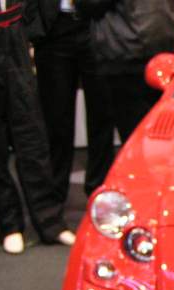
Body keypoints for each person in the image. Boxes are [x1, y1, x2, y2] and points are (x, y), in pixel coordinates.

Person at [0, 1, 75, 254]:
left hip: (14, 33)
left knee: (32, 132)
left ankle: (50, 220)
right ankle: (8, 223)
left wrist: (32, 30)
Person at [27, 0, 116, 199]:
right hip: (53, 28)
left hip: (97, 22)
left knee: (102, 114)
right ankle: (55, 193)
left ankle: (99, 188)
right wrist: (33, 23)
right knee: (55, 118)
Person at [76, 0, 174, 143]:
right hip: (161, 48)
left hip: (126, 52)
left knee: (134, 136)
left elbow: (88, 4)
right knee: (160, 134)